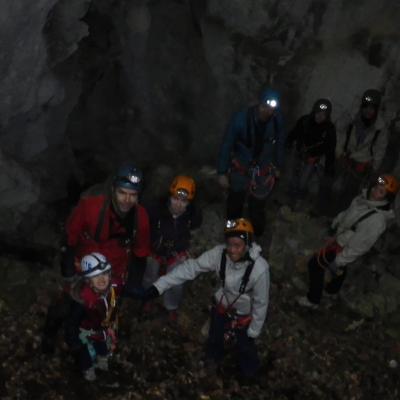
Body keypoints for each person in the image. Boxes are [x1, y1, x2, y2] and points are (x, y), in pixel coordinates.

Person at [141, 218, 270, 379]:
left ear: (248, 245)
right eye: (229, 244)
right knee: (214, 338)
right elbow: (191, 268)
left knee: (245, 347)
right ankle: (212, 362)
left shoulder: (259, 268)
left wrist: (254, 330)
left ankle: (249, 374)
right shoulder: (219, 254)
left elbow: (261, 303)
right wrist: (158, 287)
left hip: (244, 315)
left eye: (237, 245)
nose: (232, 250)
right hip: (222, 307)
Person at [41, 164, 150, 353]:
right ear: (113, 190)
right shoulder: (91, 206)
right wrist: (68, 269)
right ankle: (52, 334)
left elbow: (140, 252)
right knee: (70, 304)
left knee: (109, 310)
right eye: (122, 193)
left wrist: (134, 281)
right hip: (85, 265)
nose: (127, 199)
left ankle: (99, 340)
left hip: (115, 270)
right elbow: (70, 236)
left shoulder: (140, 217)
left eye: (133, 195)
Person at [297, 174, 399, 309]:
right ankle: (332, 291)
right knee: (340, 269)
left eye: (381, 191)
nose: (375, 191)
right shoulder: (363, 199)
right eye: (376, 187)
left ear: (387, 197)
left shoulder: (377, 220)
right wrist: (337, 221)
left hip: (344, 246)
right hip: (342, 237)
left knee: (315, 265)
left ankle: (313, 300)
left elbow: (360, 246)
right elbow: (348, 212)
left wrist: (340, 259)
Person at [217, 89, 285, 236]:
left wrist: (279, 165)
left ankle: (256, 237)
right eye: (264, 107)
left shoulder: (276, 120)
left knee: (258, 206)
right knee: (235, 202)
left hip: (263, 169)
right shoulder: (240, 119)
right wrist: (222, 172)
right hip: (241, 166)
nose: (267, 111)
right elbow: (227, 144)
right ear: (258, 104)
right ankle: (231, 232)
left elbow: (280, 143)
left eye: (271, 109)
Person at [142, 175, 202, 321]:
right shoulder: (155, 210)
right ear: (170, 196)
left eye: (184, 201)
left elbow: (194, 231)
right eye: (176, 198)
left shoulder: (193, 216)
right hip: (154, 251)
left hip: (177, 254)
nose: (179, 204)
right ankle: (147, 298)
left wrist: (189, 250)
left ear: (189, 203)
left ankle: (171, 306)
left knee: (176, 283)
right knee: (149, 277)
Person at [65, 252, 122, 381]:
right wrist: (74, 342)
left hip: (101, 328)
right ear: (88, 281)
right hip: (84, 331)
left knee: (102, 344)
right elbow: (72, 322)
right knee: (84, 353)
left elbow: (113, 303)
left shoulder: (111, 290)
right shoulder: (82, 301)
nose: (102, 279)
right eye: (96, 276)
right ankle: (87, 369)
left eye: (105, 274)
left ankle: (102, 358)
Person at [332, 89, 389, 212]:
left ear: (376, 110)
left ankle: (339, 217)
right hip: (345, 158)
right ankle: (325, 212)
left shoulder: (380, 128)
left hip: (361, 165)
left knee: (350, 193)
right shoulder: (352, 118)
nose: (368, 111)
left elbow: (380, 149)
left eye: (372, 108)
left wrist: (374, 168)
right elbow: (338, 129)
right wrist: (339, 152)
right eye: (366, 106)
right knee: (333, 186)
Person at [286, 98, 336, 201]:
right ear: (314, 111)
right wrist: (288, 144)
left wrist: (328, 169)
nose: (320, 116)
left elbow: (330, 149)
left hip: (312, 159)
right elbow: (293, 133)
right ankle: (290, 196)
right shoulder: (304, 121)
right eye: (318, 112)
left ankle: (299, 198)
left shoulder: (329, 129)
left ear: (327, 116)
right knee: (291, 176)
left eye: (323, 114)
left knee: (303, 181)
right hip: (298, 153)